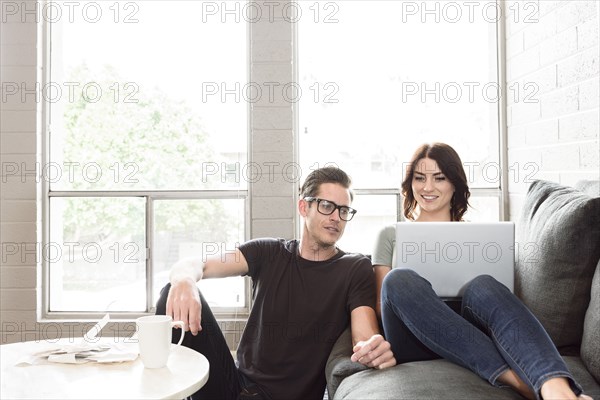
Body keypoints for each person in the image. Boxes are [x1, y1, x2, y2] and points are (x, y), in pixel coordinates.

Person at [156, 166, 396, 400]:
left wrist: (374, 349)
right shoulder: (268, 251)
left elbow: (364, 336)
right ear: (304, 207)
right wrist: (185, 279)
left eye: (344, 210)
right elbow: (199, 265)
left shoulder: (355, 267)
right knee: (171, 290)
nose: (336, 217)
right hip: (234, 386)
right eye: (326, 206)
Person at [373, 143, 590, 400]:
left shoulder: (480, 238)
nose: (427, 187)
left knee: (484, 285)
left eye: (439, 178)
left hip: (469, 328)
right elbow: (381, 303)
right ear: (410, 183)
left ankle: (556, 389)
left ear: (455, 184)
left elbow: (496, 303)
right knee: (399, 280)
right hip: (413, 335)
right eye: (419, 178)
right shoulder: (389, 234)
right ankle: (519, 382)